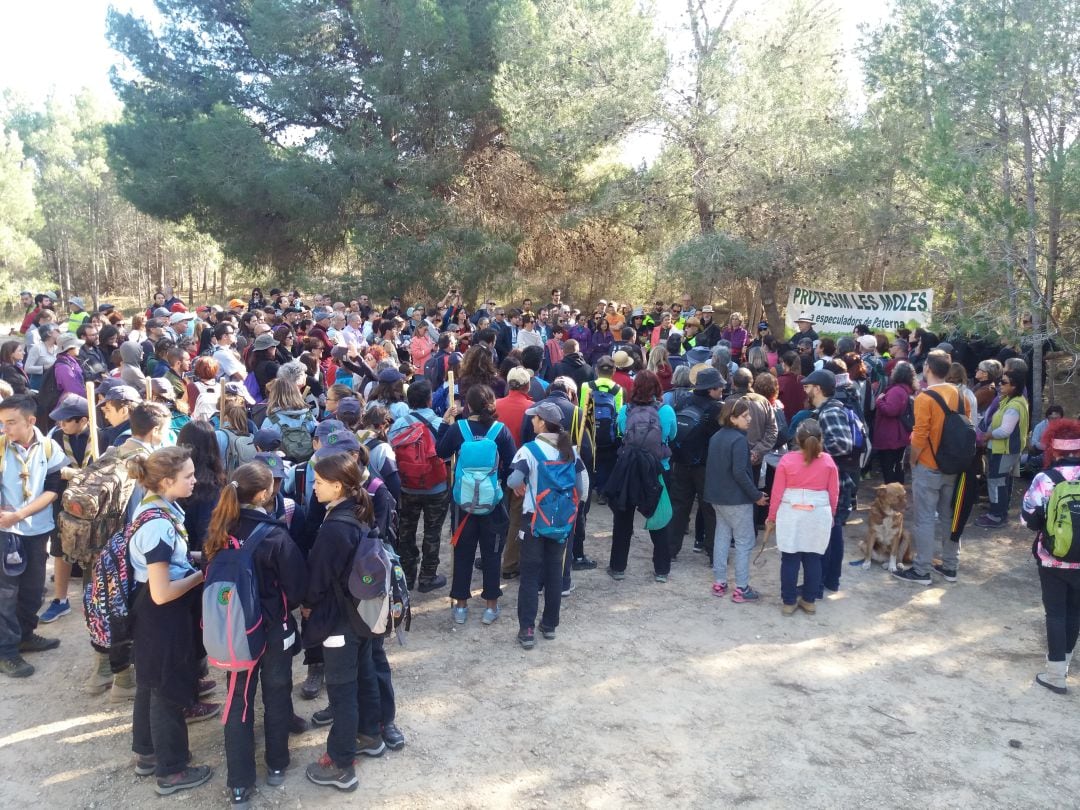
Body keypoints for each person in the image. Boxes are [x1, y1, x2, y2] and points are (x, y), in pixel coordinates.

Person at [204, 462, 307, 806]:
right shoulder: (275, 534)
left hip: (235, 630)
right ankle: (277, 764)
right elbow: (296, 586)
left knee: (239, 699)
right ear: (264, 494)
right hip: (274, 628)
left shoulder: (219, 529)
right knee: (277, 693)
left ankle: (239, 782)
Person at [127, 447, 219, 795]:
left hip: (151, 613)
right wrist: (201, 574)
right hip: (162, 614)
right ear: (167, 481)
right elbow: (162, 591)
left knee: (150, 682)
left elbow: (167, 564)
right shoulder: (158, 527)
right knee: (167, 689)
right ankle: (172, 770)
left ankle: (147, 752)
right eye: (188, 476)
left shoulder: (153, 507)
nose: (195, 480)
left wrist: (200, 556)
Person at [301, 453, 386, 792]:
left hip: (338, 621)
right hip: (362, 615)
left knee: (341, 689)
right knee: (364, 675)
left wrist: (307, 606)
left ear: (337, 486)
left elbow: (317, 579)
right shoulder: (358, 511)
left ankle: (341, 764)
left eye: (319, 482)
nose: (314, 487)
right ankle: (371, 735)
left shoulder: (334, 528)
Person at [507, 400, 588, 649]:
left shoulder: (528, 450)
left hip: (534, 520)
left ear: (542, 422)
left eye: (534, 418)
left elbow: (513, 480)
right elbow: (581, 489)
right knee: (555, 572)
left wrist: (519, 484)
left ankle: (527, 629)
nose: (531, 421)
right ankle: (550, 624)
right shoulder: (570, 452)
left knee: (530, 576)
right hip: (561, 521)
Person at [436, 385, 515, 625]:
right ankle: (491, 605)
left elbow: (441, 452)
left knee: (463, 552)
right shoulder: (500, 431)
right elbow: (512, 462)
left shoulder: (458, 429)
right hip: (493, 499)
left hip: (463, 501)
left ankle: (461, 605)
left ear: (467, 405)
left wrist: (444, 422)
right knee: (492, 553)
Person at [0, 395, 67, 678]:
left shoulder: (50, 447)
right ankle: (6, 651)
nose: (6, 429)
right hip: (6, 532)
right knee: (6, 593)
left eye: (11, 422)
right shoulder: (1, 447)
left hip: (37, 529)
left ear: (31, 421)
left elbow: (54, 489)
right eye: (3, 423)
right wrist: (10, 517)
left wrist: (22, 513)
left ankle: (26, 634)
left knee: (33, 588)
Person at [893, 353, 965, 585]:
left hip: (929, 465)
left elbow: (920, 434)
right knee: (948, 516)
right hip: (953, 465)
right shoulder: (960, 394)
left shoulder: (925, 398)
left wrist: (913, 460)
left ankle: (922, 569)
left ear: (927, 369)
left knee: (924, 518)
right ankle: (950, 566)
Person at [1021, 418, 1080, 694]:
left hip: (1052, 558)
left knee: (1055, 612)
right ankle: (1065, 664)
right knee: (1075, 611)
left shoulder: (1045, 479)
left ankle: (1056, 674)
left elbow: (1028, 519)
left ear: (1053, 448)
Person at [605, 370, 673, 583]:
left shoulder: (626, 410)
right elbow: (671, 435)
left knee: (623, 519)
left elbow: (620, 433)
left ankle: (618, 567)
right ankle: (661, 570)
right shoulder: (666, 411)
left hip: (629, 469)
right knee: (658, 517)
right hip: (657, 470)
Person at [768, 419, 838, 615]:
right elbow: (834, 493)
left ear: (797, 440)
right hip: (818, 512)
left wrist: (771, 517)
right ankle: (809, 600)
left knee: (790, 558)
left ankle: (789, 602)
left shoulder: (787, 460)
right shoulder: (828, 462)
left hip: (791, 512)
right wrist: (831, 514)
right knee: (813, 558)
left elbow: (777, 492)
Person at [705, 397, 768, 602]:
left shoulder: (716, 437)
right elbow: (740, 473)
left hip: (717, 498)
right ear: (732, 418)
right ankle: (741, 588)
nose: (749, 419)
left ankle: (719, 582)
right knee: (744, 542)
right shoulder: (739, 440)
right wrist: (756, 495)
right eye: (744, 416)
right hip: (736, 500)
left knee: (721, 537)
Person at [801, 369, 856, 596]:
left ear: (818, 388)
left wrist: (812, 451)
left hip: (836, 483)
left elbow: (843, 444)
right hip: (839, 480)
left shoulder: (830, 412)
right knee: (833, 533)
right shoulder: (828, 410)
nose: (805, 390)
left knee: (827, 534)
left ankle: (819, 583)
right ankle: (831, 580)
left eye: (808, 386)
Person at [668, 367, 725, 558]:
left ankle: (670, 549)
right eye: (719, 387)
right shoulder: (718, 409)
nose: (722, 390)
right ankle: (713, 552)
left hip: (681, 461)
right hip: (705, 465)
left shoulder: (683, 401)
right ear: (711, 389)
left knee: (678, 507)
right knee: (709, 509)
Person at [975, 369, 1030, 529]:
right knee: (1004, 481)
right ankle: (1000, 510)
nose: (1000, 385)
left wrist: (987, 436)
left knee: (997, 481)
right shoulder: (1012, 400)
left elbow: (1005, 430)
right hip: (1006, 449)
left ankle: (997, 516)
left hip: (1003, 450)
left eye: (1004, 382)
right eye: (1000, 381)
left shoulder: (1014, 405)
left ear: (1014, 386)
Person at [874, 361, 915, 485]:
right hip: (898, 436)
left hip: (891, 437)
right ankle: (897, 496)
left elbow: (891, 410)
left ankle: (893, 498)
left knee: (890, 469)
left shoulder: (896, 391)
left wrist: (879, 401)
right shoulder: (904, 390)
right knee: (897, 467)